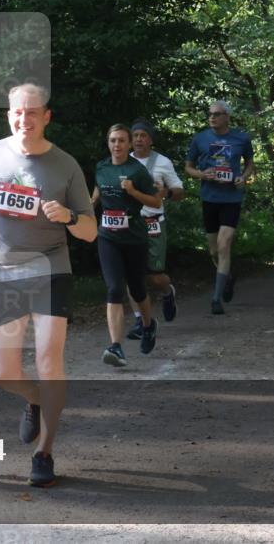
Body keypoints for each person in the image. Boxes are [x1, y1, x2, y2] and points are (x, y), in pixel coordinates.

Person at [0, 83, 96, 488]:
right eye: (18, 111)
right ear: (8, 113)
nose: (24, 119)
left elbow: (90, 231)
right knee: (3, 372)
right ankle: (33, 399)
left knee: (49, 360)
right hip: (1, 273)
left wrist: (67, 216)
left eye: (33, 112)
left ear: (47, 116)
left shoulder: (65, 165)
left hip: (51, 269)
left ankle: (44, 453)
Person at [91, 124, 163, 368]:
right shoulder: (101, 167)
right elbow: (98, 190)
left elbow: (155, 200)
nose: (117, 145)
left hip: (134, 238)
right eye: (113, 141)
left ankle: (148, 325)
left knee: (137, 289)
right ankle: (115, 346)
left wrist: (133, 192)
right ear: (108, 143)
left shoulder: (137, 170)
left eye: (122, 141)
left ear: (129, 144)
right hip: (107, 237)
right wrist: (88, 206)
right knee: (113, 289)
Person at [184, 101, 255, 315]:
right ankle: (228, 277)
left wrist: (243, 177)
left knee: (224, 245)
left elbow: (250, 163)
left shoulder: (241, 138)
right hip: (210, 198)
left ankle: (216, 299)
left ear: (227, 117)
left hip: (231, 199)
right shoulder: (201, 139)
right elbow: (188, 167)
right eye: (210, 114)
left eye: (217, 114)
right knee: (214, 250)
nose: (212, 117)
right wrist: (201, 175)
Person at [120, 118, 186, 343]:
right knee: (131, 275)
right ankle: (140, 320)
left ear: (150, 140)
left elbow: (179, 192)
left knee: (155, 276)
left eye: (143, 136)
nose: (138, 139)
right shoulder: (121, 161)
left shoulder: (162, 162)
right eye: (135, 135)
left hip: (154, 222)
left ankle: (168, 292)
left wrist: (165, 192)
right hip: (129, 223)